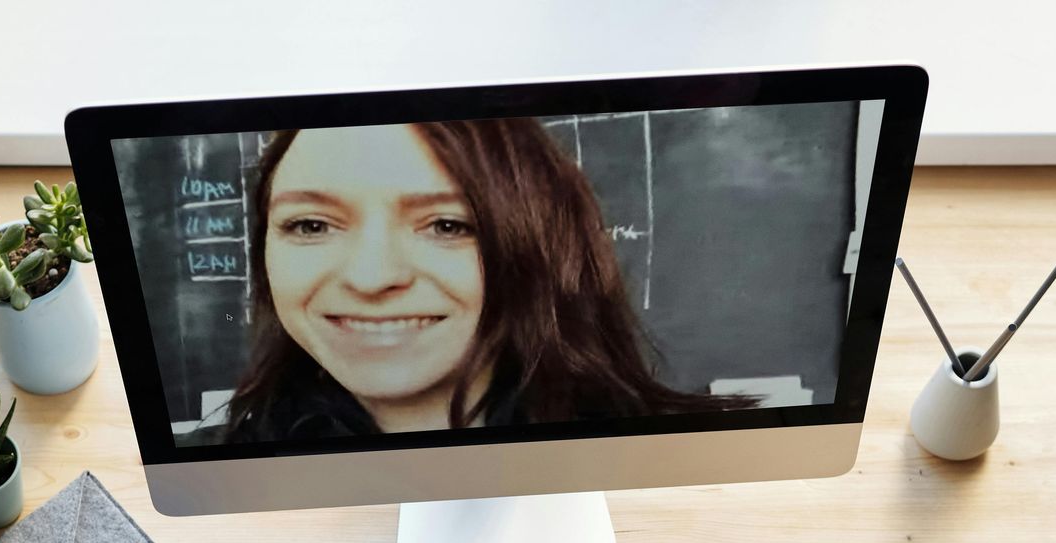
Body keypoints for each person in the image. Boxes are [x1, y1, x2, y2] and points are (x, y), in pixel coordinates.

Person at [190, 118, 752, 445]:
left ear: (537, 249)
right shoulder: (221, 472)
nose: (371, 276)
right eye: (311, 224)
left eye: (447, 225)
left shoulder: (693, 457)